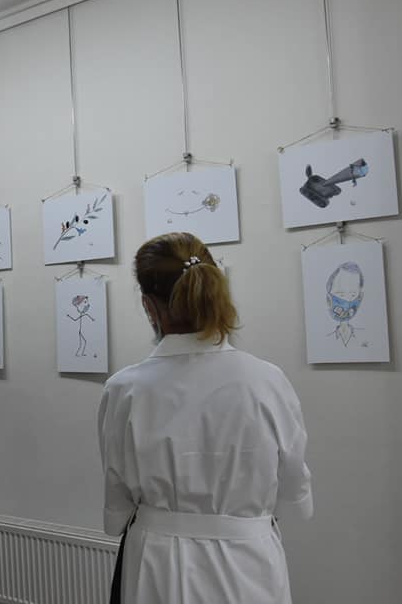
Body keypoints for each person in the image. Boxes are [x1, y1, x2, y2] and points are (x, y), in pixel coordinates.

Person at [98, 233, 313, 603]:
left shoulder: (125, 389)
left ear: (149, 306)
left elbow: (117, 501)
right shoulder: (267, 381)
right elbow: (294, 493)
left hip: (158, 563)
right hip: (250, 561)